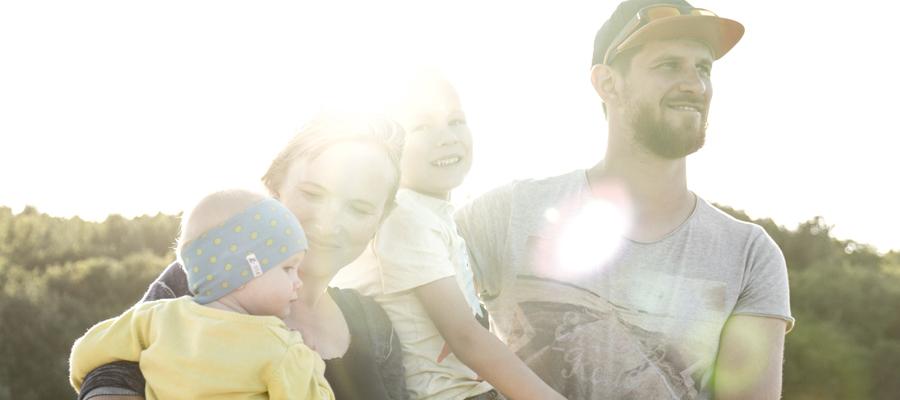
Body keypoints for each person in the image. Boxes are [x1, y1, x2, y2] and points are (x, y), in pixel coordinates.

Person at [455, 1, 794, 399]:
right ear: (607, 83)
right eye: (669, 65)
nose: (694, 84)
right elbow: (398, 284)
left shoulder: (749, 255)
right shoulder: (505, 214)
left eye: (702, 68)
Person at [78, 113, 409, 400]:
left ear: (381, 217)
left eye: (360, 208)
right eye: (312, 193)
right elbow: (107, 376)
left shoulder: (375, 325)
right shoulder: (202, 284)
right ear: (274, 189)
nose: (329, 222)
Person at [334, 74, 565, 400]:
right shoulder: (406, 217)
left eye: (455, 121)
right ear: (388, 145)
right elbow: (464, 335)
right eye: (421, 128)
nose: (445, 138)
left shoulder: (431, 214)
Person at [69, 190, 333, 399]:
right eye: (288, 268)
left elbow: (85, 354)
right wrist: (311, 364)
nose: (298, 281)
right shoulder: (281, 348)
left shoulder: (155, 317)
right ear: (245, 271)